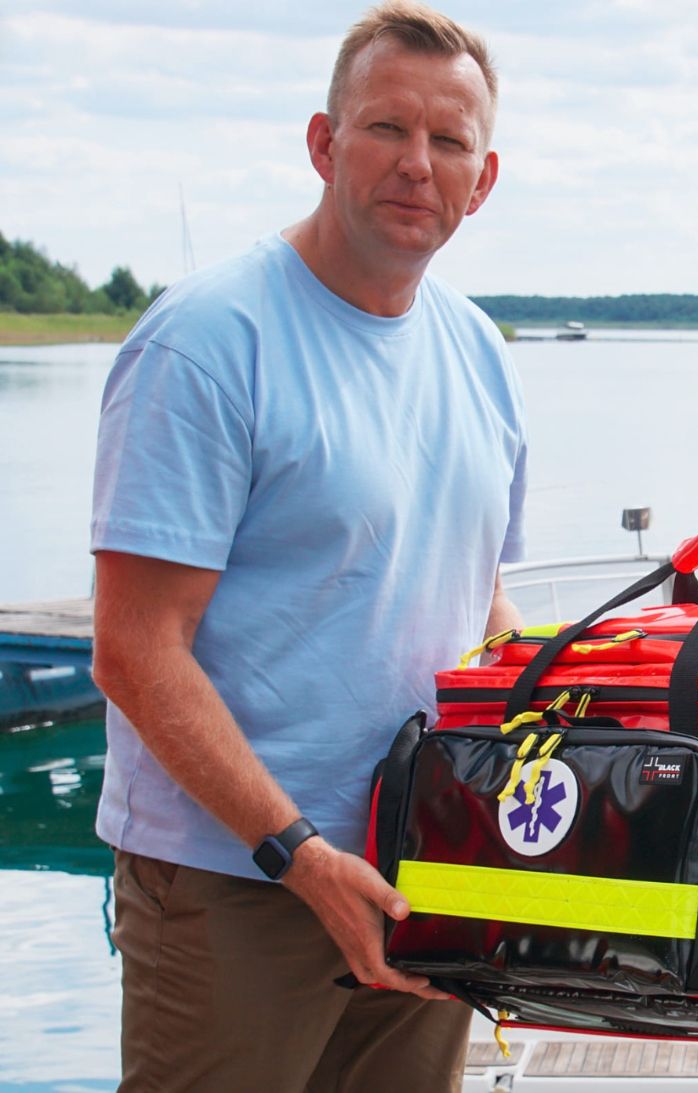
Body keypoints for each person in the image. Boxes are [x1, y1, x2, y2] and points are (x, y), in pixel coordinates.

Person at [89, 5, 525, 1089]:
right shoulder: (206, 340)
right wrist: (297, 852)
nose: (416, 165)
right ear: (325, 144)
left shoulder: (479, 351)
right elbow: (137, 649)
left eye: (449, 141)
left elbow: (482, 608)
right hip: (235, 879)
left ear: (485, 176)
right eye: (386, 129)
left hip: (417, 871)